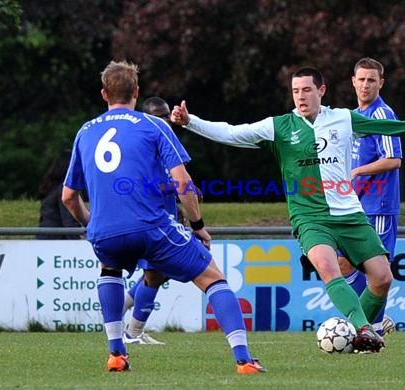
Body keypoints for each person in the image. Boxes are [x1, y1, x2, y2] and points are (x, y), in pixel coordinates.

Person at [171, 66, 405, 353]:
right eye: (295, 91)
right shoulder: (279, 127)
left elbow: (391, 127)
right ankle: (365, 329)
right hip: (309, 218)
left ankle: (357, 335)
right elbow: (231, 133)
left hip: (349, 215)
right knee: (329, 270)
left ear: (321, 90)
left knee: (382, 278)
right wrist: (190, 121)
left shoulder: (343, 119)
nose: (300, 96)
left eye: (306, 90)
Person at [62, 60, 266, 374]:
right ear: (137, 92)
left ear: (104, 93)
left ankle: (117, 353)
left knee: (110, 269)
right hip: (151, 226)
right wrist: (198, 226)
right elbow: (183, 183)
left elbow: (68, 197)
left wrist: (92, 226)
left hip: (105, 231)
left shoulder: (85, 132)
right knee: (213, 279)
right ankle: (244, 360)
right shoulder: (153, 124)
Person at [346, 57, 402, 335]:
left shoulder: (382, 115)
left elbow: (393, 159)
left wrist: (357, 171)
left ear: (381, 83)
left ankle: (373, 328)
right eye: (362, 79)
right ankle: (369, 322)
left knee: (375, 271)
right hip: (356, 205)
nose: (366, 85)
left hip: (378, 206)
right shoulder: (355, 115)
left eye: (371, 80)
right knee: (343, 261)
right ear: (353, 82)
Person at [122, 96, 182, 346]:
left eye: (166, 115)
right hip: (148, 222)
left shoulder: (165, 146)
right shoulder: (142, 149)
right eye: (158, 116)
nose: (164, 120)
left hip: (167, 220)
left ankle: (117, 311)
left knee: (161, 273)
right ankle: (133, 333)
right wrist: (178, 186)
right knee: (154, 274)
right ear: (145, 118)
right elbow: (140, 185)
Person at [36, 149, 82, 239]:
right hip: (57, 243)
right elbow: (69, 222)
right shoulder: (64, 190)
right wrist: (78, 245)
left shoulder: (51, 189)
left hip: (45, 240)